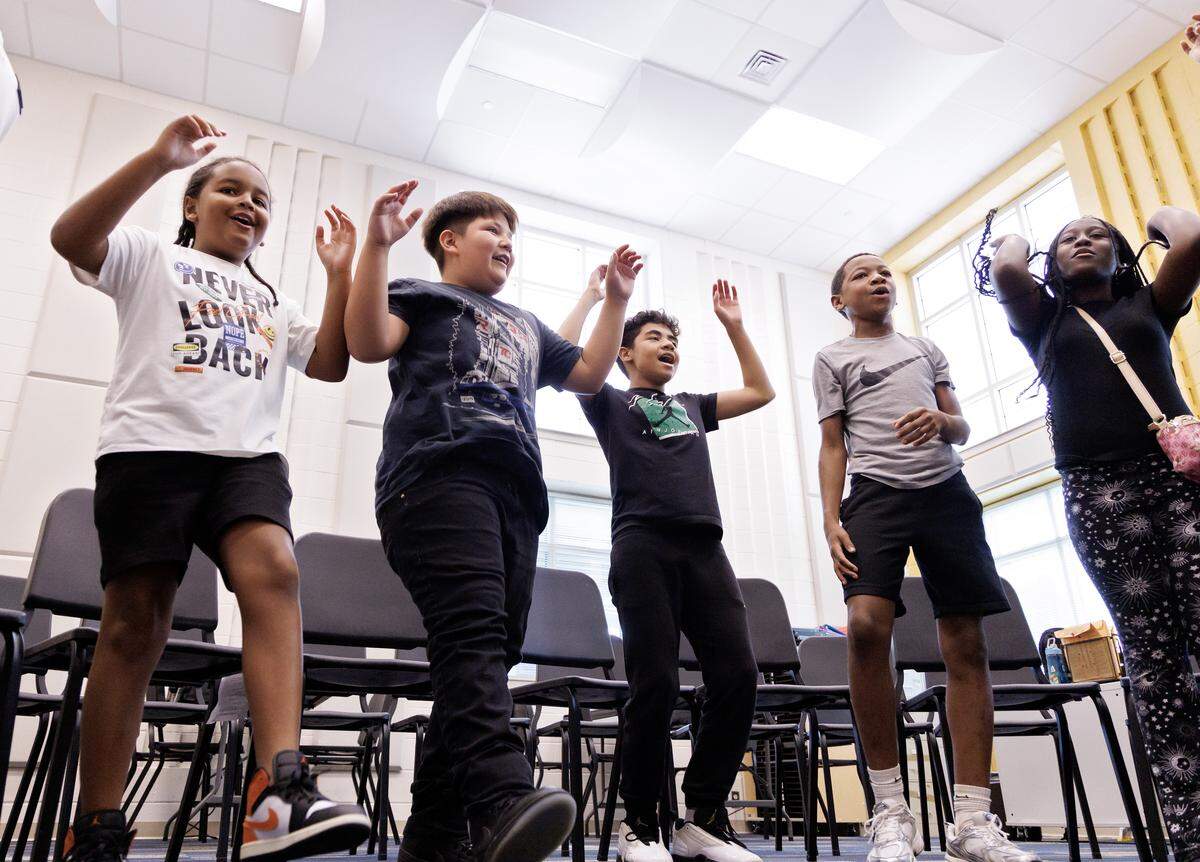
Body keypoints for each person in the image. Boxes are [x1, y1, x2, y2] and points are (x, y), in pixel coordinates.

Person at [48, 115, 370, 862]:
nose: (249, 204)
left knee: (278, 571)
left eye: (261, 199)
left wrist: (339, 273)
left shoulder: (270, 299)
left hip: (244, 460)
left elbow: (328, 362)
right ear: (193, 204)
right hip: (149, 452)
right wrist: (158, 158)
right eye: (231, 188)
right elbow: (71, 238)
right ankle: (98, 824)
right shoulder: (148, 254)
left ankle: (279, 790)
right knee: (137, 623)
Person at [345, 184, 643, 862]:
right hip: (437, 477)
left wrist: (615, 298)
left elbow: (591, 374)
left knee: (488, 653)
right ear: (450, 240)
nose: (505, 242)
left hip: (517, 497)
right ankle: (502, 796)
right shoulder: (424, 295)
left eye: (512, 235)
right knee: (473, 636)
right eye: (491, 229)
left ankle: (434, 836)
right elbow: (364, 342)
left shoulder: (526, 323)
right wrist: (378, 245)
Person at [986, 204, 1200, 862]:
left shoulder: (1153, 305)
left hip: (1177, 484)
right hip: (1097, 495)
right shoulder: (1043, 321)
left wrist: (1156, 220)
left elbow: (1189, 236)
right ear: (1052, 263)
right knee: (1153, 661)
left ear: (1120, 256)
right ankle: (1191, 832)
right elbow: (1005, 265)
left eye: (1098, 235)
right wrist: (1025, 244)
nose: (1083, 240)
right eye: (1069, 238)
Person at [814, 252, 1036, 862]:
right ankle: (889, 810)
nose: (876, 279)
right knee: (864, 627)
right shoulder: (833, 358)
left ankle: (972, 820)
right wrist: (831, 518)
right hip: (876, 497)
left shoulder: (925, 349)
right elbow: (833, 445)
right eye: (859, 274)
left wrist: (942, 421)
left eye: (882, 271)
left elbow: (962, 427)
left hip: (946, 495)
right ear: (840, 301)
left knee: (964, 641)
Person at [557, 276, 773, 862]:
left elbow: (761, 390)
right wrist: (595, 300)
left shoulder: (694, 406)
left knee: (738, 675)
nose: (668, 345)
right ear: (625, 353)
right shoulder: (607, 398)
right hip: (642, 545)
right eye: (655, 337)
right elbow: (563, 353)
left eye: (673, 339)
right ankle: (642, 824)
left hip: (705, 549)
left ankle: (702, 819)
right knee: (656, 683)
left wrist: (733, 325)